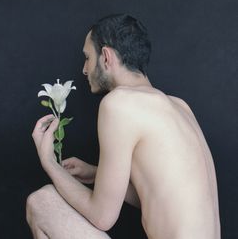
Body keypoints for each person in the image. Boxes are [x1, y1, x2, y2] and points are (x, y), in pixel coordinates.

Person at [26, 14, 221, 239]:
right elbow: (161, 197)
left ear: (106, 56)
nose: (84, 69)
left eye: (88, 57)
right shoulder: (180, 107)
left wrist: (50, 162)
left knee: (41, 201)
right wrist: (96, 174)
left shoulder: (119, 103)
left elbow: (102, 216)